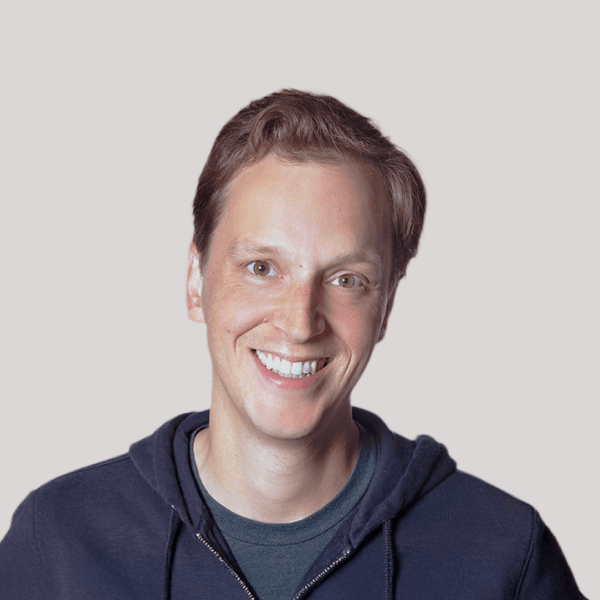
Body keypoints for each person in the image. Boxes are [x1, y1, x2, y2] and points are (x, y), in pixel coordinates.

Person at [0, 90, 586, 599]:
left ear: (386, 306)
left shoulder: (503, 554)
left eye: (347, 280)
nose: (301, 322)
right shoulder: (58, 543)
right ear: (195, 282)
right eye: (261, 267)